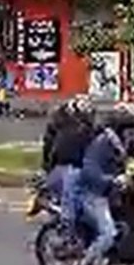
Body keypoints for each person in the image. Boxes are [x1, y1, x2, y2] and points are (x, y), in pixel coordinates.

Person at [69, 102, 134, 265]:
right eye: (132, 128)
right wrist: (112, 180)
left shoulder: (123, 141)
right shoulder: (102, 143)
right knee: (108, 234)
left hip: (110, 191)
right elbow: (89, 170)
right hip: (92, 193)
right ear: (122, 127)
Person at [38, 96, 94, 226]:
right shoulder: (73, 130)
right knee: (73, 199)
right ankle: (68, 225)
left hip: (58, 166)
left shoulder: (65, 125)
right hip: (66, 167)